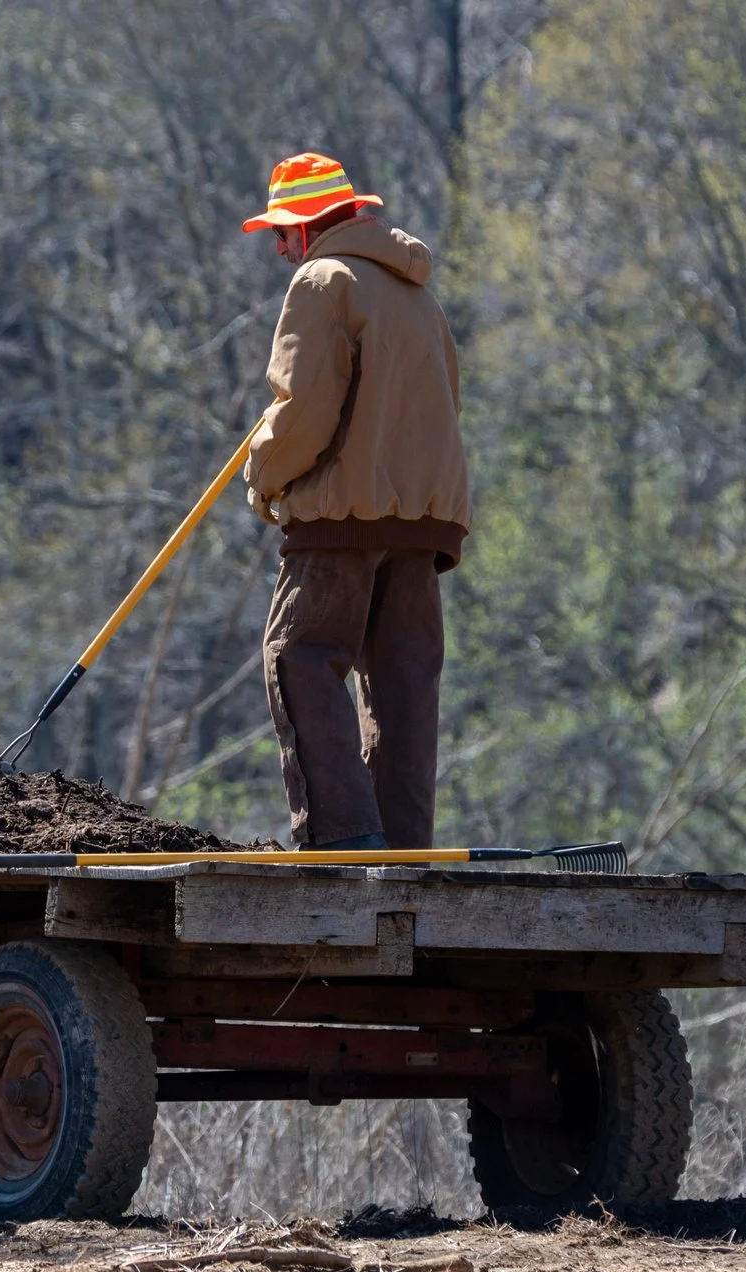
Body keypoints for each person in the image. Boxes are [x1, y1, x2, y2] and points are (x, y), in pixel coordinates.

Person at [241, 153, 472, 851]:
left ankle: (343, 841)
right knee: (402, 681)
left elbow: (305, 411)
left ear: (311, 229)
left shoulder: (322, 281)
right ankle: (401, 850)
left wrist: (264, 474)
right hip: (424, 519)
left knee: (299, 655)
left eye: (283, 232)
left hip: (343, 513)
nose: (279, 249)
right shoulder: (416, 295)